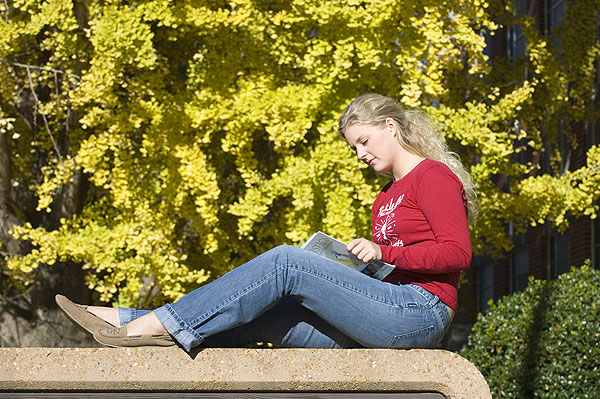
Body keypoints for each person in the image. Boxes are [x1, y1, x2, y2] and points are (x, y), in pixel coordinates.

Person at [56, 93, 476, 351]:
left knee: (286, 264)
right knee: (259, 310)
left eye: (364, 142)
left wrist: (384, 251)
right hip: (376, 317)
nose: (361, 155)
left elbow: (458, 253)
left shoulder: (432, 176)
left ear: (390, 126)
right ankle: (133, 319)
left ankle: (147, 324)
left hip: (418, 313)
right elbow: (391, 268)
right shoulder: (385, 195)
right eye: (354, 148)